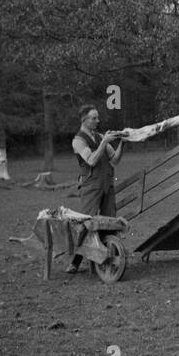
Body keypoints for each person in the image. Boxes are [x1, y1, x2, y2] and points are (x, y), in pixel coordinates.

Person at [67, 104, 124, 273]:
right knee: (86, 223)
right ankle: (76, 261)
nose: (97, 121)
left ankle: (110, 257)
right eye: (94, 118)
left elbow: (114, 159)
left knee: (109, 221)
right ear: (84, 120)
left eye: (97, 117)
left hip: (107, 184)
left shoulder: (100, 136)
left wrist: (123, 142)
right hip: (90, 186)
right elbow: (91, 160)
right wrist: (104, 142)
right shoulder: (78, 140)